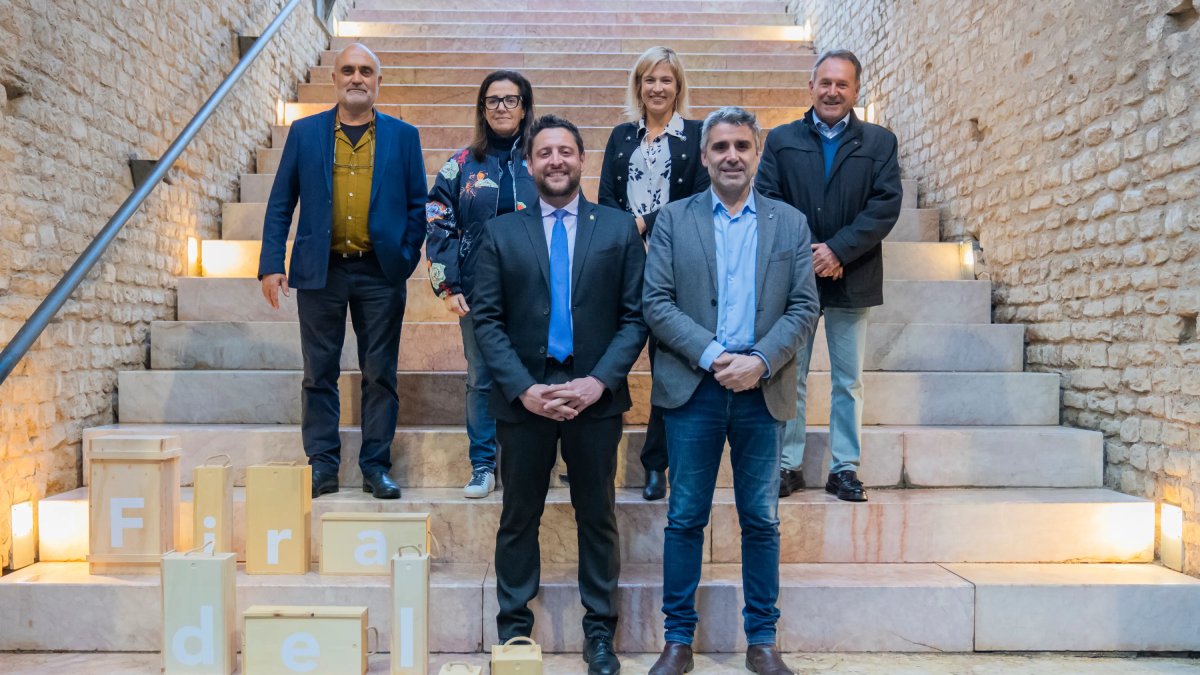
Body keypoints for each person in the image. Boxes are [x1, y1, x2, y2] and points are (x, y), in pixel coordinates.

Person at [643, 107, 819, 675]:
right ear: (703, 155)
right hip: (693, 388)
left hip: (761, 391)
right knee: (685, 517)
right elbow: (657, 302)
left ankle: (762, 642)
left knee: (761, 520)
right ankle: (677, 642)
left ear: (757, 152)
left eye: (742, 145)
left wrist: (761, 360)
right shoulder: (674, 219)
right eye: (719, 146)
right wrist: (718, 356)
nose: (731, 156)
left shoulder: (789, 223)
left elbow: (804, 306)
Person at [471, 114, 647, 675]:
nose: (556, 161)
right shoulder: (502, 232)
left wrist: (599, 382)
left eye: (566, 151)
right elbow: (488, 323)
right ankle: (514, 632)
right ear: (529, 164)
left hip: (594, 399)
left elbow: (635, 316)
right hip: (525, 403)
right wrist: (523, 390)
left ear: (582, 159)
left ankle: (600, 634)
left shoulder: (617, 229)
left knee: (596, 515)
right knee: (518, 515)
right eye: (544, 153)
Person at [257, 43, 426, 500]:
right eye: (348, 69)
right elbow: (280, 203)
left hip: (380, 272)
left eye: (366, 71)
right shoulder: (305, 133)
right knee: (319, 372)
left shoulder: (403, 137)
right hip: (320, 271)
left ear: (377, 82)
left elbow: (417, 207)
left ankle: (375, 465)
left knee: (380, 373)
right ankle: (323, 465)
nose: (357, 77)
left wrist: (405, 258)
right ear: (334, 79)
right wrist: (272, 263)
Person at [757, 49, 902, 502]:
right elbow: (767, 199)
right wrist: (809, 253)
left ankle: (844, 468)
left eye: (842, 84)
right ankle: (788, 465)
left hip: (852, 275)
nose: (832, 91)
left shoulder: (880, 142)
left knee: (848, 379)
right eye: (825, 82)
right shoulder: (781, 140)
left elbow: (885, 206)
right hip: (796, 280)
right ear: (811, 86)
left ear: (856, 91)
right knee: (791, 374)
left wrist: (838, 249)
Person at [598, 46, 709, 502]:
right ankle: (597, 456)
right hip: (623, 267)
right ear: (638, 87)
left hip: (674, 268)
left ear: (678, 86)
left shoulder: (699, 135)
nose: (657, 88)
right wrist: (624, 233)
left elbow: (699, 199)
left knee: (667, 369)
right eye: (649, 80)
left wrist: (643, 221)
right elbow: (606, 198)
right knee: (609, 362)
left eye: (666, 80)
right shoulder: (622, 136)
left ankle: (655, 465)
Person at [426, 70, 538, 498]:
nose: (501, 108)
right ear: (482, 108)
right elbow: (438, 221)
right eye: (493, 101)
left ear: (525, 107)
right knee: (482, 377)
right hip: (478, 292)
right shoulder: (459, 165)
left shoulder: (541, 159)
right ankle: (483, 465)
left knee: (534, 371)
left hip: (536, 290)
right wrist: (448, 284)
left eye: (510, 100)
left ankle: (528, 462)